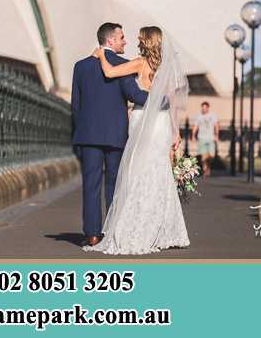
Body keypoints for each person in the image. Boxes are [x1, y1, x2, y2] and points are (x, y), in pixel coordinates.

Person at [83, 26, 190, 255]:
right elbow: (170, 102)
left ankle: (136, 226)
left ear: (146, 42)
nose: (136, 41)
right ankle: (162, 229)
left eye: (141, 39)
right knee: (159, 171)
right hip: (161, 123)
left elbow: (110, 73)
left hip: (143, 119)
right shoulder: (167, 67)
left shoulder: (140, 63)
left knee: (136, 172)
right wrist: (175, 132)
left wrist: (102, 54)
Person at [71, 23, 149, 247]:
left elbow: (76, 105)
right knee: (114, 183)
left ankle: (93, 234)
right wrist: (159, 98)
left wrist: (79, 133)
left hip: (88, 134)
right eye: (122, 37)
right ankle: (113, 230)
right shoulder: (123, 65)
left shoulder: (81, 66)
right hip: (115, 134)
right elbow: (133, 94)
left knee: (91, 184)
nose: (125, 41)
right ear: (111, 41)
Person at [191, 101, 219, 178]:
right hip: (202, 138)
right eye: (202, 108)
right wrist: (193, 136)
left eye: (205, 108)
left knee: (211, 156)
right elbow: (195, 126)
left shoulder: (213, 116)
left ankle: (208, 167)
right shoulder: (199, 116)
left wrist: (216, 136)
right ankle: (205, 170)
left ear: (208, 108)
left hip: (211, 138)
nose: (203, 109)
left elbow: (216, 126)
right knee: (203, 156)